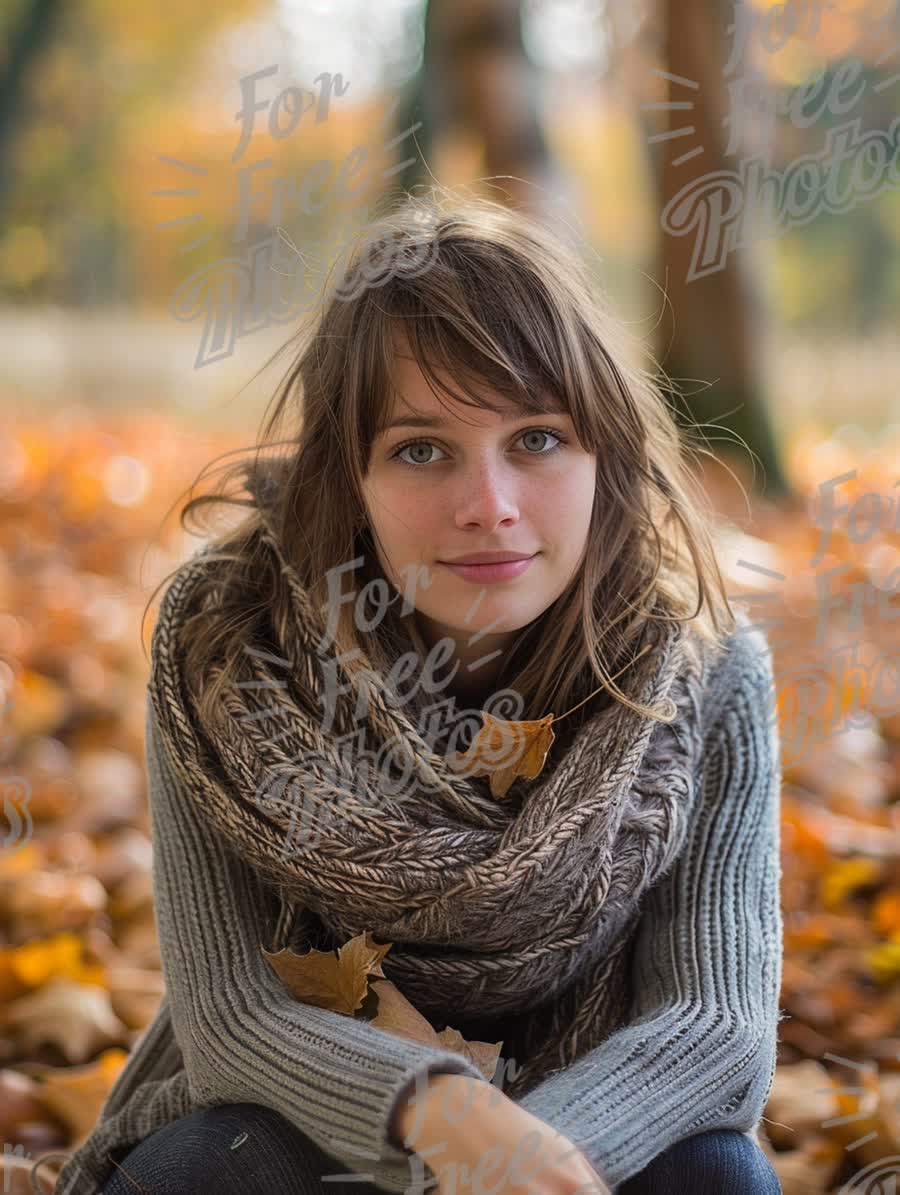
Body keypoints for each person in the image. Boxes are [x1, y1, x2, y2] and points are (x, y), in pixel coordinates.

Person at [53, 190, 784, 1195]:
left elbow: (713, 1028)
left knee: (714, 1171)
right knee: (212, 1166)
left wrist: (524, 1163)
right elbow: (233, 1023)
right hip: (311, 1128)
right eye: (421, 449)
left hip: (578, 1152)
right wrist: (447, 1121)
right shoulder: (231, 652)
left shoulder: (704, 669)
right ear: (347, 476)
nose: (488, 506)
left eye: (537, 438)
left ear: (604, 455)